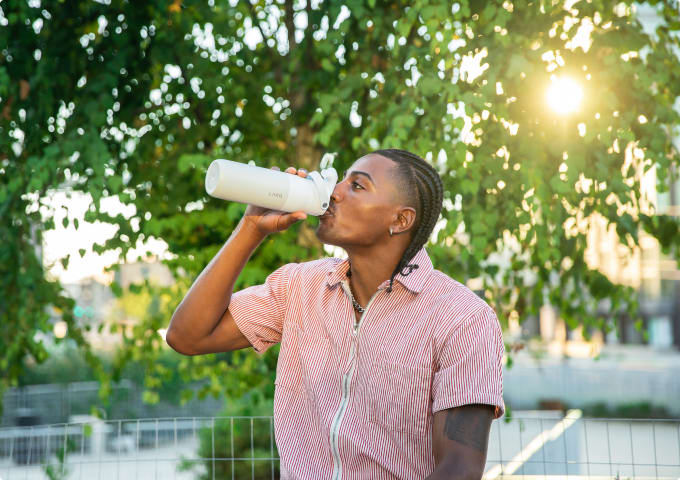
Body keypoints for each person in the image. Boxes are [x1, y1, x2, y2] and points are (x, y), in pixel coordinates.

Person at [166, 149, 505, 480]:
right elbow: (188, 336)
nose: (334, 191)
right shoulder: (300, 286)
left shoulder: (463, 319)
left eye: (357, 185)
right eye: (340, 180)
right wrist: (252, 227)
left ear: (400, 220)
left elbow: (460, 470)